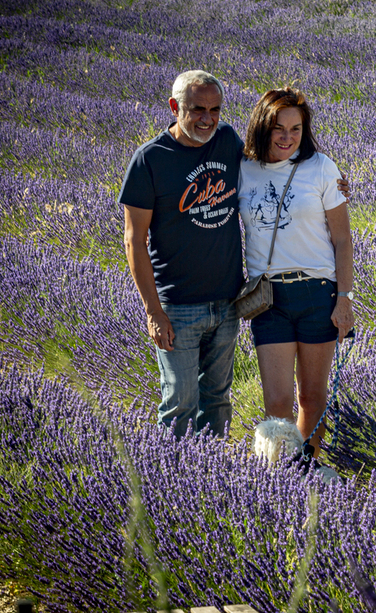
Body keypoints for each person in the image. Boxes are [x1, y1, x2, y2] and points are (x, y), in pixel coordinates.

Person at [118, 70, 244, 438]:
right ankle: (170, 477)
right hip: (177, 306)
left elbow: (274, 168)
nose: (208, 119)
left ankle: (212, 473)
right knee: (180, 401)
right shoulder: (150, 160)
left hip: (227, 301)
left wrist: (328, 183)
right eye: (197, 110)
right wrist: (154, 312)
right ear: (175, 107)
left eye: (215, 109)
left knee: (218, 399)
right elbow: (133, 240)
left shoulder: (227, 140)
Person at [239, 87, 354, 459]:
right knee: (277, 400)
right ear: (262, 127)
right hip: (268, 298)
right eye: (278, 128)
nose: (287, 137)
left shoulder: (322, 168)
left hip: (318, 293)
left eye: (296, 129)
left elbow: (342, 240)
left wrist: (344, 299)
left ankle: (308, 468)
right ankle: (277, 476)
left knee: (312, 395)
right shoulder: (243, 169)